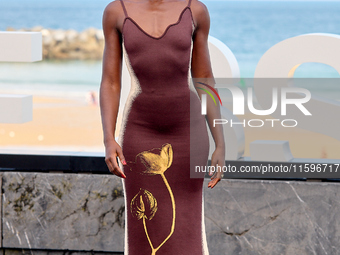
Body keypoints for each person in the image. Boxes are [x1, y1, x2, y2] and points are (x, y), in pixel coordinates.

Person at [99, 0, 225, 254]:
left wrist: (220, 142)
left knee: (188, 225)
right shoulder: (115, 12)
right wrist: (108, 138)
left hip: (189, 133)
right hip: (139, 131)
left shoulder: (196, 10)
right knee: (144, 227)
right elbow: (111, 82)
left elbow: (204, 80)